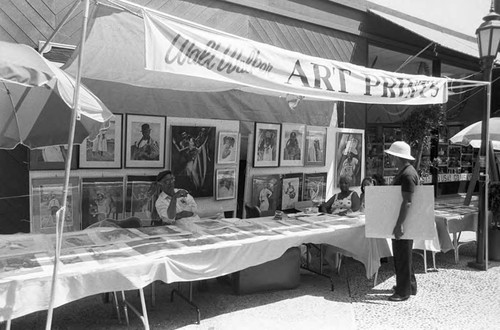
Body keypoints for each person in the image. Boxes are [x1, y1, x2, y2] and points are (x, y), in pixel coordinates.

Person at [384, 141, 419, 302]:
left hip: (404, 222)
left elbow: (408, 201)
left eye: (391, 156)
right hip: (404, 221)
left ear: (397, 157)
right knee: (404, 254)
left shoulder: (407, 175)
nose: (389, 159)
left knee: (402, 255)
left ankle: (403, 291)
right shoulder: (407, 172)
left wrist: (399, 224)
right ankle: (409, 285)